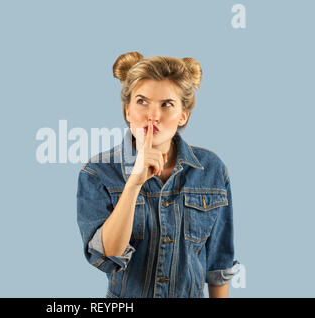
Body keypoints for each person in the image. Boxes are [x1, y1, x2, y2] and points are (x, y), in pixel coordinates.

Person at [76, 51, 240, 298]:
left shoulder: (212, 169)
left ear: (183, 115)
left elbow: (219, 264)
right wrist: (134, 183)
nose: (153, 115)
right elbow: (107, 256)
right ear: (127, 110)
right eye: (142, 101)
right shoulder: (97, 172)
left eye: (167, 104)